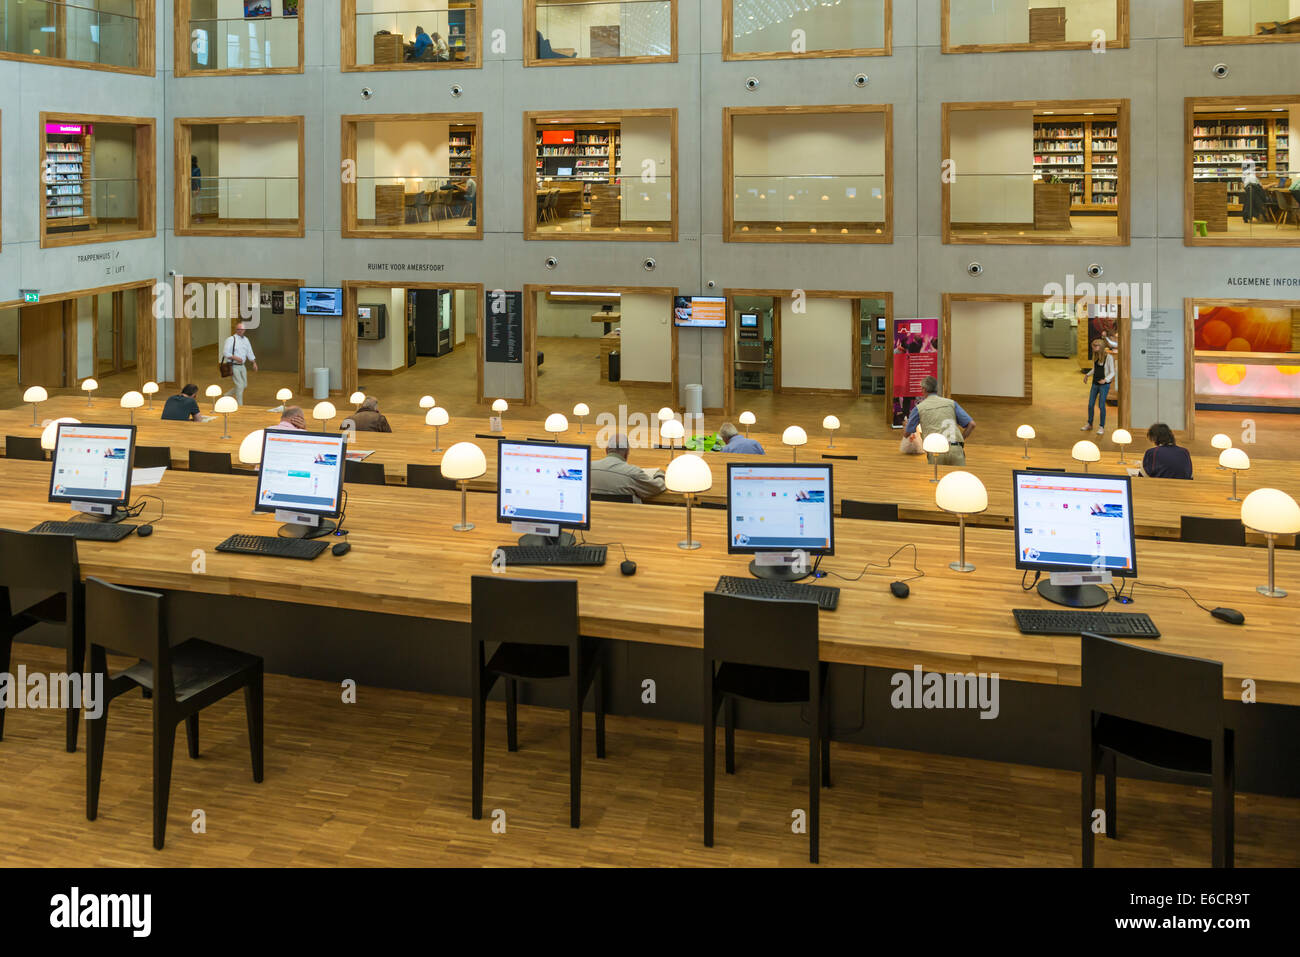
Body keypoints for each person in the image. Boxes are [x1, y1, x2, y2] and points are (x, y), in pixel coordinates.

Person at [904, 376, 974, 467]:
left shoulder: (918, 408)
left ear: (924, 389)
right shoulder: (951, 403)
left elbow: (907, 434)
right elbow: (971, 424)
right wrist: (960, 440)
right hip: (956, 449)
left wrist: (905, 425)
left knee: (938, 479)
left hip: (936, 451)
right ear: (937, 389)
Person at [592, 434, 666, 501]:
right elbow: (657, 487)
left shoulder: (588, 468)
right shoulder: (633, 473)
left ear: (607, 450)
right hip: (627, 514)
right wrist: (660, 474)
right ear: (627, 452)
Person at [1081, 337, 1115, 435]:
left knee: (1101, 405)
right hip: (1095, 383)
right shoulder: (1095, 356)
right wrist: (1087, 375)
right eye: (1093, 346)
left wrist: (1106, 380)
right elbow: (1095, 369)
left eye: (1096, 346)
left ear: (1101, 347)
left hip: (1104, 385)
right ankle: (1089, 423)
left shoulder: (1109, 357)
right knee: (1090, 404)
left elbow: (1112, 372)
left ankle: (1101, 426)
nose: (1094, 347)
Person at [222, 321, 258, 405]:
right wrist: (236, 358)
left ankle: (227, 395)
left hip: (242, 366)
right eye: (238, 329)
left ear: (244, 330)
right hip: (233, 365)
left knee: (244, 384)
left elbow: (249, 352)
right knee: (240, 385)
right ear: (236, 330)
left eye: (242, 329)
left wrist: (254, 362)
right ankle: (240, 405)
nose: (240, 331)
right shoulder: (231, 339)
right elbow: (225, 352)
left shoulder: (246, 340)